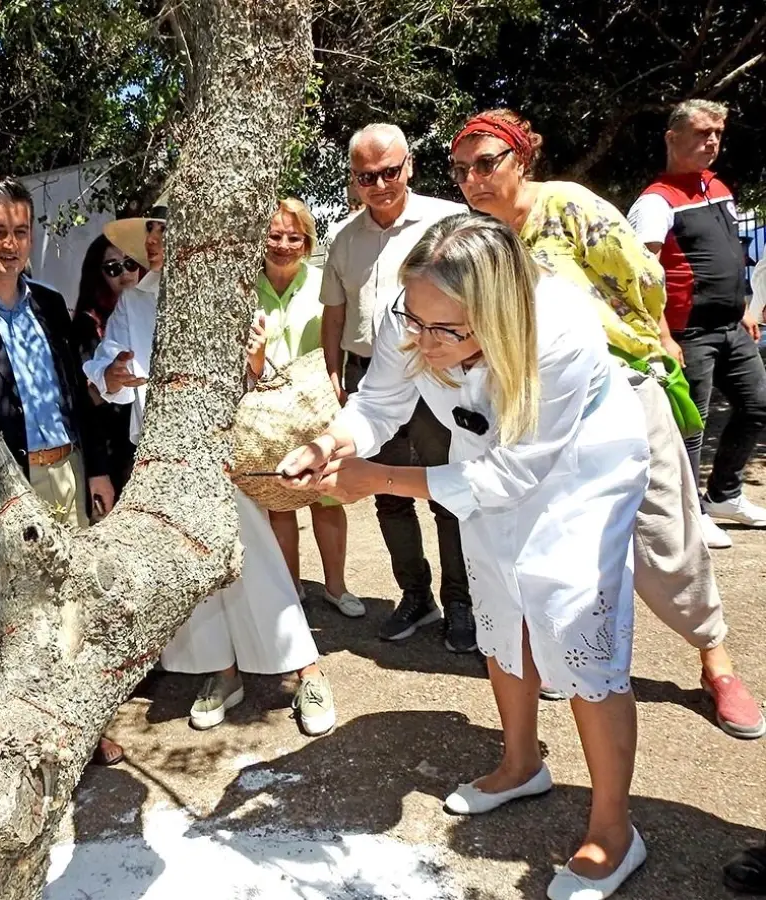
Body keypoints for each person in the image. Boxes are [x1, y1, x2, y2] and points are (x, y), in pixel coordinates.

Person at [281, 215, 650, 900]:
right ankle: (519, 763)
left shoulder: (560, 334)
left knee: (574, 623)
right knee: (498, 600)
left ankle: (614, 827)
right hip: (484, 456)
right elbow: (381, 400)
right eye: (415, 324)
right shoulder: (418, 308)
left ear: (498, 314)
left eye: (445, 332)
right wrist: (334, 443)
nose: (422, 342)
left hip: (579, 471)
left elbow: (515, 476)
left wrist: (381, 479)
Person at [449, 108, 763, 739]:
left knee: (664, 533)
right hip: (535, 409)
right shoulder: (478, 239)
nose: (475, 180)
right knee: (548, 543)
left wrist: (643, 338)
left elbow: (641, 276)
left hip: (620, 391)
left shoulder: (566, 207)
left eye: (488, 163)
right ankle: (557, 664)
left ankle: (716, 661)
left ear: (522, 158)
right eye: (462, 170)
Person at [84, 200, 337, 737]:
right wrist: (114, 374)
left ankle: (306, 670)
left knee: (259, 560)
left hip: (225, 448)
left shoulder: (229, 292)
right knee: (191, 570)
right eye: (150, 232)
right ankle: (221, 673)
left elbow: (263, 377)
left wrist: (255, 358)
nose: (155, 242)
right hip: (162, 454)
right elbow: (103, 372)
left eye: (165, 231)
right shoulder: (134, 302)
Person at [0, 175, 123, 766]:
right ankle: (19, 736)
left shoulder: (50, 304)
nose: (10, 243)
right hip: (6, 483)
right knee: (13, 611)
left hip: (68, 471)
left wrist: (98, 468)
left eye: (20, 231)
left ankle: (82, 726)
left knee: (74, 599)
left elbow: (77, 394)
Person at [319, 123, 476, 652]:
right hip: (374, 374)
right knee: (384, 493)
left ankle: (461, 601)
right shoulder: (343, 239)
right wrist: (334, 374)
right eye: (367, 176)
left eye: (390, 171)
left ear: (408, 165)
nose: (380, 184)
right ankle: (415, 595)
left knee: (448, 489)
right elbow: (334, 315)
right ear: (354, 179)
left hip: (441, 372)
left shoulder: (449, 221)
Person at [629, 100, 766, 544]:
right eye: (702, 133)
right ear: (673, 139)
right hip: (688, 333)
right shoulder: (655, 201)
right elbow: (640, 277)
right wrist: (663, 336)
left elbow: (730, 255)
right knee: (691, 423)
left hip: (732, 325)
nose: (712, 141)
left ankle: (723, 495)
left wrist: (748, 308)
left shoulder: (718, 187)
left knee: (757, 404)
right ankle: (689, 514)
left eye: (718, 134)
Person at [252, 198, 361, 618]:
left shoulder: (324, 286)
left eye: (293, 237)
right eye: (274, 235)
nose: (282, 244)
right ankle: (290, 587)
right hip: (265, 413)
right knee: (279, 499)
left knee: (326, 498)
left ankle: (337, 587)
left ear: (307, 242)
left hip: (317, 408)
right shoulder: (246, 287)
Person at [72, 234, 141, 499]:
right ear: (97, 275)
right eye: (113, 268)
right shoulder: (87, 327)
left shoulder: (151, 313)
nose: (125, 273)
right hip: (111, 455)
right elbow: (85, 403)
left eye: (131, 263)